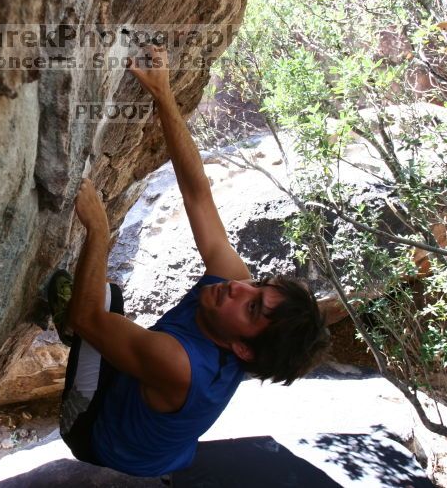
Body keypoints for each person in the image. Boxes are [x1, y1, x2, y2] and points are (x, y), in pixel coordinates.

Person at [49, 46, 330, 477]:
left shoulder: (180, 365)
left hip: (98, 438)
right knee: (110, 305)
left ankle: (86, 382)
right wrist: (163, 94)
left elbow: (86, 318)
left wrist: (98, 231)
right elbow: (198, 195)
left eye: (253, 307)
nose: (240, 287)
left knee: (97, 305)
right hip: (167, 452)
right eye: (258, 287)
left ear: (242, 348)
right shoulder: (232, 293)